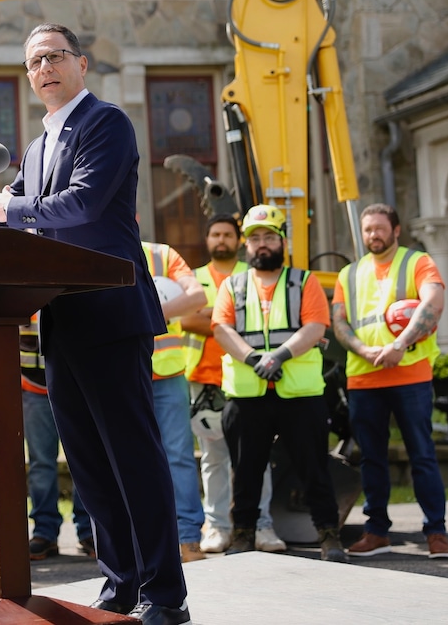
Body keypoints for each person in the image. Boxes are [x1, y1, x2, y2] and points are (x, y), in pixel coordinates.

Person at [0, 23, 189, 625]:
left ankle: (163, 593)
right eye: (32, 63)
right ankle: (120, 583)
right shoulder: (38, 145)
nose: (43, 69)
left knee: (132, 457)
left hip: (109, 312)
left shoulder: (107, 124)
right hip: (60, 318)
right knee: (90, 465)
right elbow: (6, 224)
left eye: (53, 57)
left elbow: (81, 204)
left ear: (81, 63)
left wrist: (8, 205)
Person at [210, 204, 346, 562]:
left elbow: (316, 326)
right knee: (246, 471)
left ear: (282, 241)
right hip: (247, 394)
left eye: (270, 236)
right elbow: (221, 329)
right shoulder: (232, 285)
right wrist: (254, 358)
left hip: (299, 393)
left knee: (315, 467)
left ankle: (329, 536)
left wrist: (279, 356)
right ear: (246, 245)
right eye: (255, 238)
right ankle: (243, 535)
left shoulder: (305, 281)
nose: (262, 244)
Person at [332, 203, 448, 559]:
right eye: (368, 229)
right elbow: (340, 322)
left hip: (410, 372)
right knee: (371, 458)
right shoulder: (348, 274)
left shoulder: (417, 262)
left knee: (422, 454)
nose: (373, 235)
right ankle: (377, 531)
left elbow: (434, 301)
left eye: (380, 228)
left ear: (396, 230)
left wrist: (401, 344)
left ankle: (436, 532)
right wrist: (363, 350)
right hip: (364, 376)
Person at [177, 215, 284, 554]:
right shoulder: (195, 278)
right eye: (215, 234)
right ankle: (218, 527)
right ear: (207, 239)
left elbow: (259, 320)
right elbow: (187, 319)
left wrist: (217, 319)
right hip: (205, 381)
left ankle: (262, 525)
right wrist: (226, 321)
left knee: (257, 456)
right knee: (213, 457)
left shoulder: (253, 275)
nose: (221, 240)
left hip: (248, 378)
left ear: (238, 240)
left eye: (227, 235)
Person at [140, 239, 208, 564]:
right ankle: (141, 543)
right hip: (121, 374)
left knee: (178, 457)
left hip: (167, 374)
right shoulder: (95, 251)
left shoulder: (161, 254)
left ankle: (188, 539)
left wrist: (149, 308)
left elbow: (197, 297)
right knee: (130, 459)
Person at [19, 316, 94, 560]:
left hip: (75, 382)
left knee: (83, 459)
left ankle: (89, 530)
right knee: (41, 463)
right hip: (33, 388)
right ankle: (44, 531)